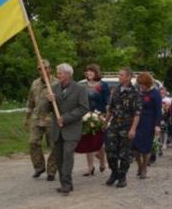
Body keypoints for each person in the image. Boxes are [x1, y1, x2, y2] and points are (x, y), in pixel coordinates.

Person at [45, 63, 89, 195]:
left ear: (68, 74)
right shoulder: (53, 88)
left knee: (67, 155)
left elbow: (83, 108)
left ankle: (67, 184)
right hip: (57, 130)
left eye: (60, 73)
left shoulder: (80, 89)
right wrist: (49, 100)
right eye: (57, 73)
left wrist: (66, 118)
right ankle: (64, 183)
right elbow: (47, 109)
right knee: (59, 158)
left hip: (72, 129)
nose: (57, 75)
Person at [103, 67, 142, 188]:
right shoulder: (116, 90)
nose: (119, 77)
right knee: (110, 151)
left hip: (127, 125)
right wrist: (105, 123)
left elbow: (137, 113)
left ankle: (122, 176)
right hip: (114, 125)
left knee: (125, 153)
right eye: (119, 75)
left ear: (128, 77)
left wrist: (133, 129)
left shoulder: (135, 92)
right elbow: (111, 109)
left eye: (121, 75)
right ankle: (114, 172)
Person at [24, 60, 58, 181]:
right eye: (39, 69)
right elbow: (30, 101)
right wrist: (26, 117)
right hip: (37, 119)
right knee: (33, 142)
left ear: (50, 69)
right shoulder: (35, 83)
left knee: (54, 146)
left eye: (45, 68)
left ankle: (51, 171)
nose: (42, 71)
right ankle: (39, 167)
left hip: (51, 119)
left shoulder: (57, 83)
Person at [80, 64, 109, 177]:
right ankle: (90, 167)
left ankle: (102, 162)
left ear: (96, 73)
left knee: (99, 141)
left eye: (91, 71)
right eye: (87, 72)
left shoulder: (103, 85)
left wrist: (105, 117)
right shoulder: (82, 86)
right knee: (87, 141)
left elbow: (107, 102)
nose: (88, 73)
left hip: (99, 115)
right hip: (86, 116)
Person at [132, 72, 162, 179]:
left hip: (149, 122)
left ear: (148, 83)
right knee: (134, 146)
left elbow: (158, 111)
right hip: (137, 122)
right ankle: (139, 165)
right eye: (139, 85)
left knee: (146, 147)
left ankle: (144, 168)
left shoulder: (155, 94)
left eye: (143, 85)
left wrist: (157, 125)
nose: (141, 87)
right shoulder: (139, 93)